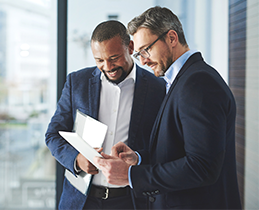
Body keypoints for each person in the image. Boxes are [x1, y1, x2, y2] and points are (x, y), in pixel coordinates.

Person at [94, 6, 242, 209]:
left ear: (172, 38)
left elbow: (202, 166)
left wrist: (130, 175)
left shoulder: (198, 83)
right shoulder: (181, 80)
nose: (144, 61)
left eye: (146, 50)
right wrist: (138, 158)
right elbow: (180, 150)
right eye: (139, 54)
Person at [45, 20, 165, 210]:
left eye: (114, 57)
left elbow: (164, 147)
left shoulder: (158, 88)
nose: (108, 66)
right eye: (99, 60)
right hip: (81, 201)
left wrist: (138, 157)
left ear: (130, 47)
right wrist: (76, 160)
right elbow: (53, 135)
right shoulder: (77, 82)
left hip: (131, 201)